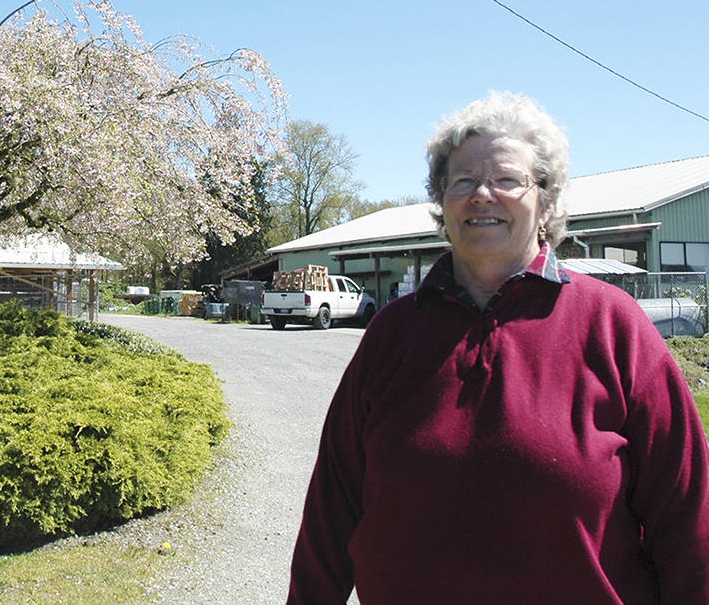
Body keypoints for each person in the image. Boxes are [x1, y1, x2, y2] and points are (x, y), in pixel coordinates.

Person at [287, 92, 709, 604]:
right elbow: (330, 514)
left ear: (546, 200)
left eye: (507, 180)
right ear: (441, 201)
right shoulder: (392, 336)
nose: (482, 194)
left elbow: (690, 522)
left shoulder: (614, 327)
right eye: (462, 181)